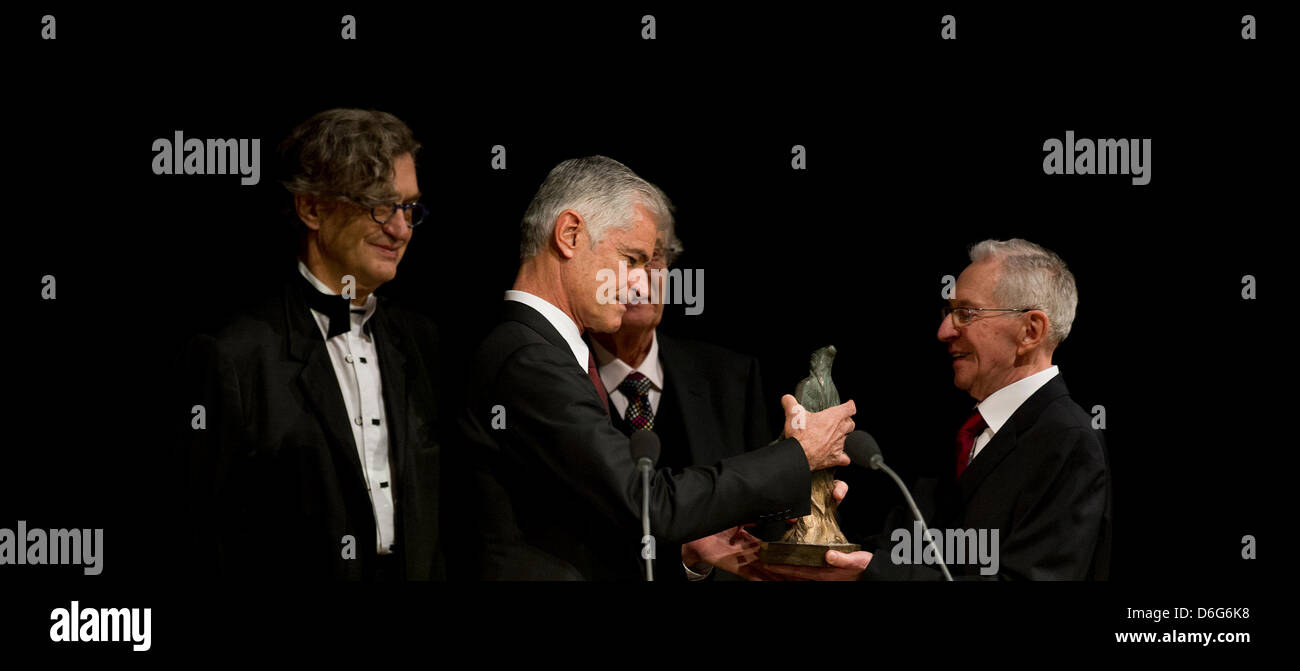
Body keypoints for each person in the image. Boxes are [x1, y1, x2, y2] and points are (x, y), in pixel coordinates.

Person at [458, 155, 856, 580]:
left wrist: (691, 549)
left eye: (652, 264)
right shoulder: (528, 358)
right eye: (631, 259)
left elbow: (589, 525)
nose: (638, 283)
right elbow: (644, 501)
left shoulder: (542, 347)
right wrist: (796, 455)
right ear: (570, 234)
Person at [182, 109, 445, 580]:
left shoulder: (423, 343)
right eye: (379, 205)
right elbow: (208, 536)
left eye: (409, 209)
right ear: (313, 209)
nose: (401, 230)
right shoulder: (237, 357)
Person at [768, 238, 1111, 580]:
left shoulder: (1067, 441)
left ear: (1030, 331)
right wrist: (819, 525)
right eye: (949, 313)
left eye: (966, 314)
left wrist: (870, 572)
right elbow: (904, 550)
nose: (944, 331)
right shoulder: (968, 431)